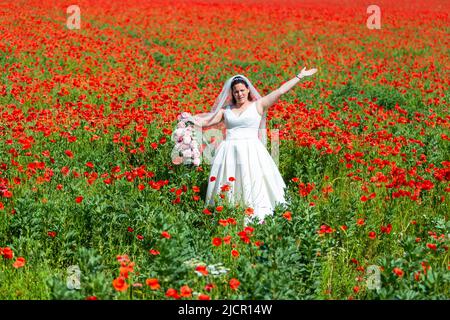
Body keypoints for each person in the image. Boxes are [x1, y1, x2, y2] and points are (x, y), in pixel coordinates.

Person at [187, 67, 318, 224]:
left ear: (248, 90)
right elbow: (205, 121)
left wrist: (299, 76)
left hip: (252, 151)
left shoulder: (259, 105)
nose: (240, 94)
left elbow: (280, 91)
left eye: (242, 90)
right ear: (232, 93)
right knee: (230, 182)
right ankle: (228, 213)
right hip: (229, 151)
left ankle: (256, 215)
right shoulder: (226, 111)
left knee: (253, 180)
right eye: (236, 92)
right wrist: (188, 120)